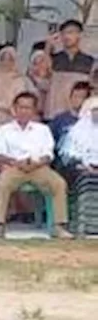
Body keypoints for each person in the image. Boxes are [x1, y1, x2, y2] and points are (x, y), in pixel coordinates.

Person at [0, 91, 71, 239]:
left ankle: (58, 227)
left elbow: (48, 154)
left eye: (28, 108)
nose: (24, 111)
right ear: (14, 109)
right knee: (2, 183)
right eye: (20, 107)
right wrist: (15, 162)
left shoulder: (43, 130)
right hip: (14, 167)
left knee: (59, 183)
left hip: (38, 167)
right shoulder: (4, 130)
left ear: (34, 111)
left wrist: (37, 163)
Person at [61, 96, 98, 236]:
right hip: (81, 169)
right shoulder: (76, 131)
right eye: (94, 110)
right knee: (84, 179)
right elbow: (68, 157)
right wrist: (84, 166)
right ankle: (85, 224)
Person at [48, 20, 94, 121]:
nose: (66, 36)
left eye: (71, 32)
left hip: (80, 114)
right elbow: (42, 74)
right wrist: (48, 47)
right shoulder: (54, 59)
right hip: (55, 113)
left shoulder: (89, 61)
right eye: (63, 33)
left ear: (80, 35)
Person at [49, 81, 91, 154]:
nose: (77, 100)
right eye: (75, 96)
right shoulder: (59, 119)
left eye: (81, 97)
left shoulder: (92, 121)